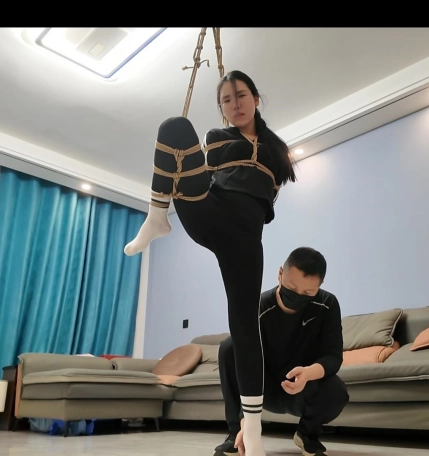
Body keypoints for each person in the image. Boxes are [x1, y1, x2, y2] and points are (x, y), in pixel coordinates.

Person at [123, 70, 297, 456]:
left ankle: (251, 430)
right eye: (226, 100)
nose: (235, 104)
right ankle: (156, 217)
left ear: (255, 98)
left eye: (241, 95)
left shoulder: (277, 149)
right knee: (174, 126)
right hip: (210, 211)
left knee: (245, 328)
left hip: (245, 238)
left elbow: (272, 195)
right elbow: (202, 175)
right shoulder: (217, 137)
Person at [214, 247, 349, 456]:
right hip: (262, 387)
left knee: (336, 390)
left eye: (307, 293)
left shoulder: (327, 305)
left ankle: (307, 435)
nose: (297, 296)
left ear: (320, 285)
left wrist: (308, 373)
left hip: (302, 387)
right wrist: (246, 424)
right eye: (291, 287)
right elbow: (245, 365)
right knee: (229, 347)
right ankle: (235, 434)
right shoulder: (258, 308)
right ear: (280, 273)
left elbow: (333, 356)